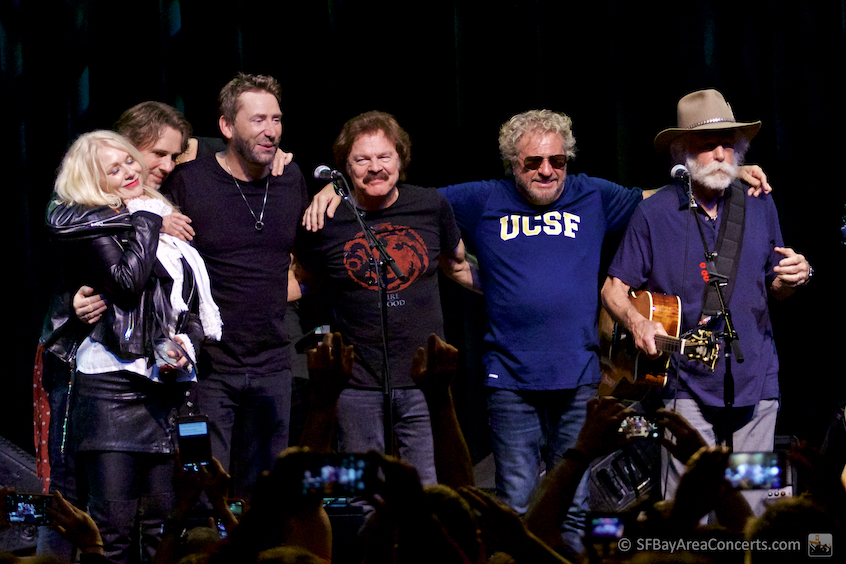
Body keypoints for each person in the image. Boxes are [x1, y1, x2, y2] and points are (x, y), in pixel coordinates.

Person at [301, 108, 772, 554]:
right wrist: (337, 191)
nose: (546, 170)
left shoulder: (594, 194)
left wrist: (732, 175)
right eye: (533, 161)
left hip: (581, 375)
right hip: (509, 379)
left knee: (578, 508)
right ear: (513, 163)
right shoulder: (481, 197)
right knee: (517, 502)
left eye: (557, 160)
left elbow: (656, 196)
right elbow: (400, 196)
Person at [600, 89, 812, 515]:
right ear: (683, 151)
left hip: (757, 379)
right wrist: (638, 324)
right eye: (706, 144)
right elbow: (612, 289)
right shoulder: (654, 213)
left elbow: (775, 286)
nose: (719, 152)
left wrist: (798, 276)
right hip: (683, 383)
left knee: (750, 506)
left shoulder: (759, 201)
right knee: (688, 510)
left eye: (727, 143)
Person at [45, 130, 221, 564]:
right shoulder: (90, 221)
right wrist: (146, 219)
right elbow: (126, 285)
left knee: (163, 524)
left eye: (129, 162)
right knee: (113, 528)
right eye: (114, 168)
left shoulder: (157, 216)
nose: (129, 172)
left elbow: (188, 305)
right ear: (92, 179)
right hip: (112, 391)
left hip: (165, 389)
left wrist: (185, 344)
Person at [294, 111, 475, 485]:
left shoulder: (430, 205)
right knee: (366, 498)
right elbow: (302, 281)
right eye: (362, 160)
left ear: (401, 160)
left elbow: (458, 264)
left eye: (384, 157)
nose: (375, 168)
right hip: (357, 385)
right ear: (345, 167)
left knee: (427, 491)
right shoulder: (325, 218)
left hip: (425, 381)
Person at [161, 73, 309, 501]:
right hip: (209, 370)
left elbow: (310, 257)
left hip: (273, 363)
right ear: (227, 127)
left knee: (266, 494)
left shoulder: (290, 177)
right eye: (258, 119)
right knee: (203, 492)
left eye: (277, 119)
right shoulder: (190, 181)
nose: (271, 130)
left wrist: (332, 195)